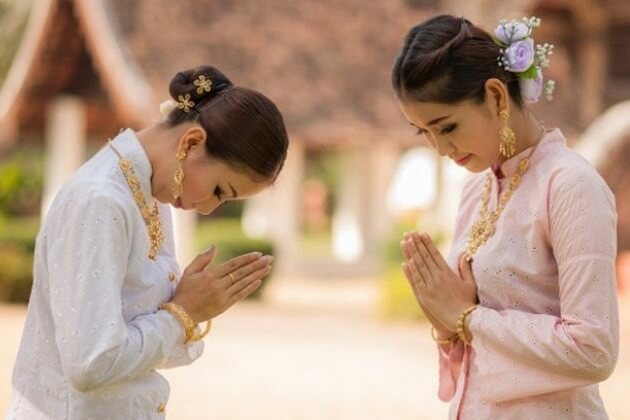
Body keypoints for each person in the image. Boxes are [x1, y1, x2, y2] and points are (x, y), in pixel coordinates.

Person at [7, 65, 289, 418]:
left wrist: (193, 309)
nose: (207, 208)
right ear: (192, 142)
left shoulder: (150, 195)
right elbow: (90, 364)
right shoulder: (101, 200)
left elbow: (144, 354)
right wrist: (182, 314)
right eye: (219, 191)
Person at [392, 15, 619, 419]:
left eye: (447, 127)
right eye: (423, 132)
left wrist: (468, 317)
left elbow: (594, 348)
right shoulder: (475, 191)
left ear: (496, 96)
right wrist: (447, 326)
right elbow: (476, 348)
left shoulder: (569, 185)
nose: (440, 148)